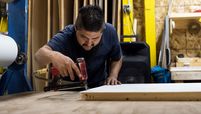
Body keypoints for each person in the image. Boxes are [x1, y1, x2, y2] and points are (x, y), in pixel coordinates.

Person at [34, 5, 122, 88]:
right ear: (76, 28)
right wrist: (53, 55)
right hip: (69, 88)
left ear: (102, 32)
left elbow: (117, 58)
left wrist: (113, 76)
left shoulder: (110, 32)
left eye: (95, 38)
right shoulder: (67, 35)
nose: (89, 43)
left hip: (99, 86)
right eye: (84, 37)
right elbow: (38, 56)